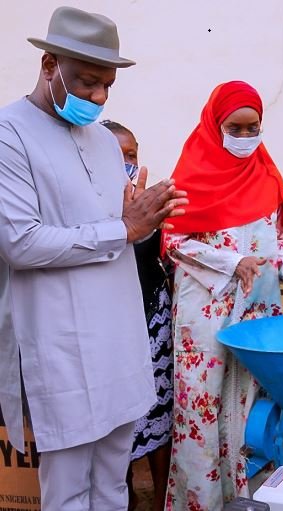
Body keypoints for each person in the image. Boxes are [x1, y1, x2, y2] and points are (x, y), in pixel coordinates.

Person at [0, 7, 187, 511]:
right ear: (47, 65)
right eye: (86, 82)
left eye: (107, 85)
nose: (99, 97)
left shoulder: (105, 140)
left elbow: (117, 231)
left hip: (121, 344)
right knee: (67, 494)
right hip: (62, 348)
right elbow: (20, 243)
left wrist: (137, 219)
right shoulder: (8, 135)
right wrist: (123, 227)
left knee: (112, 486)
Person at [163, 81, 283, 509]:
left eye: (254, 128)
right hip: (206, 313)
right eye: (237, 127)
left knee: (250, 411)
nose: (246, 138)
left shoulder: (266, 173)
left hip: (257, 310)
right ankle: (205, 503)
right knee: (201, 408)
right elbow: (174, 241)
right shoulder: (191, 174)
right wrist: (232, 263)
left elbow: (279, 235)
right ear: (216, 124)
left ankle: (247, 500)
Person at [103, 120, 173, 511]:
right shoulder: (90, 206)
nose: (127, 161)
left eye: (132, 154)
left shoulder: (154, 204)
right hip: (113, 328)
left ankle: (164, 496)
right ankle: (125, 496)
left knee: (159, 413)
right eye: (118, 155)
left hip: (153, 323)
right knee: (121, 422)